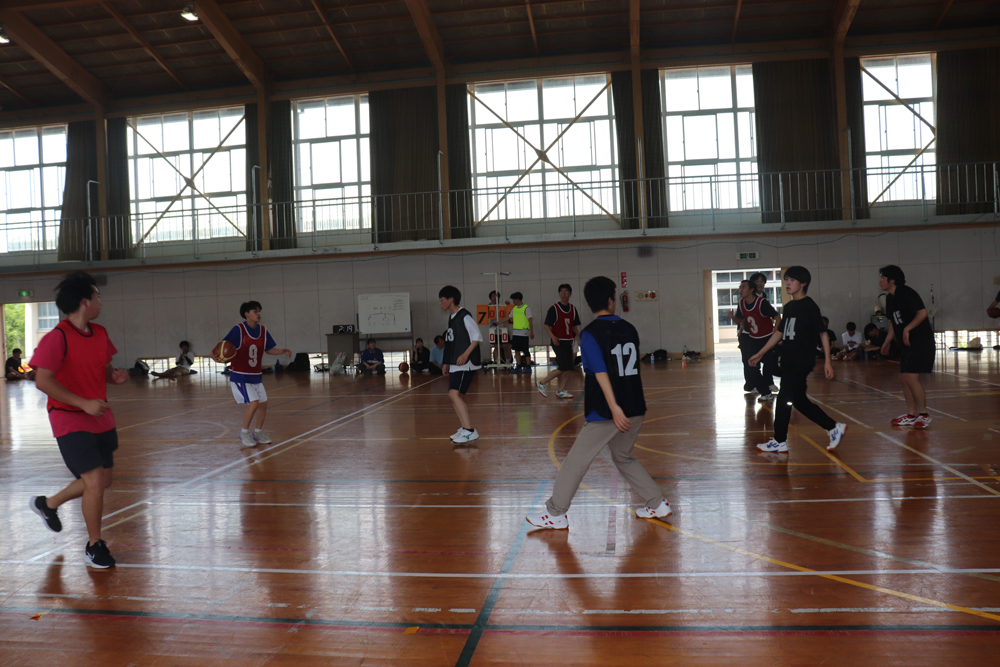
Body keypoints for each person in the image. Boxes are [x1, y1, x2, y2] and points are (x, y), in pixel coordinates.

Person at [526, 276, 671, 530]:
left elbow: (601, 372)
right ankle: (657, 502)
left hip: (608, 411)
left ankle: (556, 512)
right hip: (635, 405)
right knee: (622, 456)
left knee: (575, 460)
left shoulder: (591, 334)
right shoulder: (629, 329)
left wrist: (613, 407)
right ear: (611, 301)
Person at [28, 271, 130, 569]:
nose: (101, 301)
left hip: (99, 416)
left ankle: (47, 504)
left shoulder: (100, 333)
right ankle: (95, 546)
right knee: (95, 481)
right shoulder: (56, 338)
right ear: (85, 302)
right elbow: (42, 380)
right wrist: (82, 403)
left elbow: (105, 369)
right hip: (69, 419)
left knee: (102, 481)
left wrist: (115, 377)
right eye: (98, 296)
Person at [749, 266, 847, 453]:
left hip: (800, 361)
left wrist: (828, 361)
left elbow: (823, 334)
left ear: (803, 283)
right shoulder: (789, 306)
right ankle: (834, 427)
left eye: (792, 280)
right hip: (788, 359)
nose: (787, 283)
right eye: (786, 279)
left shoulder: (810, 306)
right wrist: (761, 352)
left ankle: (779, 440)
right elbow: (779, 332)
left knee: (784, 399)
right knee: (799, 400)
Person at [214, 301, 291, 448]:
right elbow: (222, 347)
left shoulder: (262, 330)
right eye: (255, 311)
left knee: (263, 404)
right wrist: (214, 356)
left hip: (255, 375)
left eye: (259, 311)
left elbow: (268, 349)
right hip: (240, 375)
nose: (259, 314)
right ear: (246, 314)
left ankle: (258, 432)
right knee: (254, 403)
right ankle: (244, 433)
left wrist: (282, 351)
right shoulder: (238, 330)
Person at [879, 265, 935, 428]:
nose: (880, 281)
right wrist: (887, 341)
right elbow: (893, 323)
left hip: (920, 342)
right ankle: (912, 414)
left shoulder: (907, 293)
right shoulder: (889, 298)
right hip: (906, 344)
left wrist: (907, 329)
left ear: (892, 280)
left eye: (883, 278)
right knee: (904, 378)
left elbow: (923, 313)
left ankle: (924, 414)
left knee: (911, 377)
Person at [439, 285, 482, 443]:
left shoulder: (464, 316)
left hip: (465, 362)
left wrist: (465, 354)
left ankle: (470, 430)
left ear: (451, 300)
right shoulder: (452, 318)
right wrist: (446, 363)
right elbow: (450, 343)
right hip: (455, 363)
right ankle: (465, 428)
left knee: (453, 394)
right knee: (452, 395)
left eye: (442, 299)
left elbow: (476, 337)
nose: (440, 303)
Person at [731, 279, 778, 401]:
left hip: (767, 339)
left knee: (773, 368)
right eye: (740, 287)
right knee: (751, 365)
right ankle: (765, 392)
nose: (740, 290)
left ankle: (792, 378)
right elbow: (740, 320)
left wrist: (775, 335)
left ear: (751, 290)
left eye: (743, 287)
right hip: (753, 339)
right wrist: (732, 317)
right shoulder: (741, 303)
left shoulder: (762, 303)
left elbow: (778, 317)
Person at [537, 283, 581, 399]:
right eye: (561, 292)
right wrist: (553, 337)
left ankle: (561, 390)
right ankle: (542, 383)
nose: (564, 294)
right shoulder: (554, 308)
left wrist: (579, 335)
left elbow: (573, 326)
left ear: (570, 293)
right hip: (558, 341)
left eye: (566, 292)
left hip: (569, 341)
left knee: (569, 367)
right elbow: (547, 325)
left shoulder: (572, 309)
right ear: (559, 294)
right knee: (562, 367)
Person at [507, 291, 533, 373]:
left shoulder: (526, 308)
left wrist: (531, 332)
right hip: (516, 333)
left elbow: (530, 321)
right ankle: (518, 366)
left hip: (524, 333)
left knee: (525, 350)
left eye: (513, 300)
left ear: (517, 299)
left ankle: (528, 366)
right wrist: (499, 322)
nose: (513, 302)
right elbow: (508, 317)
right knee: (516, 350)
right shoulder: (514, 309)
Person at [487, 290, 512, 364]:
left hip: (503, 329)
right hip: (494, 330)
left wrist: (508, 305)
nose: (494, 297)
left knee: (505, 347)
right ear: (490, 298)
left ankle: (507, 362)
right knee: (496, 347)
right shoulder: (489, 306)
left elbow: (509, 314)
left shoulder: (503, 305)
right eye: (492, 296)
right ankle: (497, 363)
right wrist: (488, 308)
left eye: (496, 296)